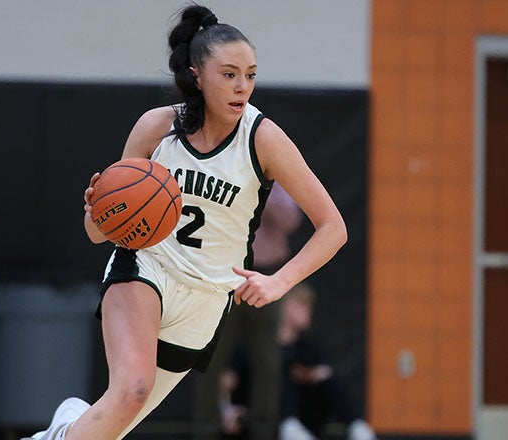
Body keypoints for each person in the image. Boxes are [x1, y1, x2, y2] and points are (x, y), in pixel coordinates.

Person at [24, 5, 346, 440]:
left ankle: (61, 430)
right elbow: (97, 234)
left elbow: (333, 226)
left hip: (209, 297)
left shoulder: (263, 137)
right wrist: (97, 211)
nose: (242, 87)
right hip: (146, 268)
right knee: (131, 391)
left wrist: (279, 282)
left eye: (250, 74)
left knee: (117, 423)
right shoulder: (157, 128)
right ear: (197, 75)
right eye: (229, 74)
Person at [194, 182, 303, 440]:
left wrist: (264, 192)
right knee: (209, 356)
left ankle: (263, 431)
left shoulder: (279, 179)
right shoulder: (227, 173)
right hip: (224, 275)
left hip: (268, 274)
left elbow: (291, 221)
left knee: (267, 360)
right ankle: (205, 430)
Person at [218, 283, 376, 440]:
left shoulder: (310, 348)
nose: (309, 312)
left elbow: (324, 379)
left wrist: (315, 375)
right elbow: (227, 383)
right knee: (278, 375)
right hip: (263, 416)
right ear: (287, 307)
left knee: (328, 377)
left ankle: (357, 427)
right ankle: (289, 427)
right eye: (303, 306)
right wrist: (227, 409)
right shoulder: (253, 348)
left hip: (305, 416)